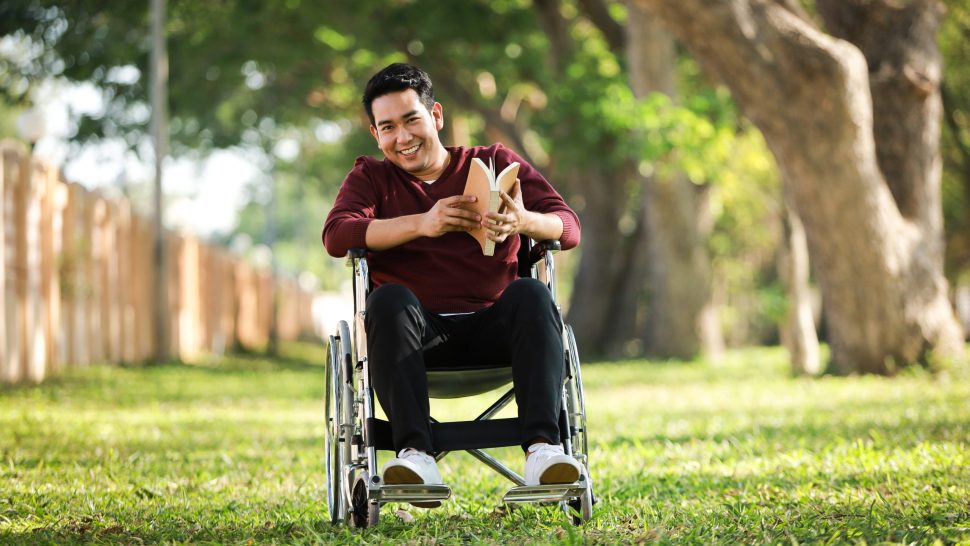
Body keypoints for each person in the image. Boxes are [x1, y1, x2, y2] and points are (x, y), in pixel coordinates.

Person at [322, 63, 582, 506]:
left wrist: (523, 221)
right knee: (387, 300)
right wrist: (423, 224)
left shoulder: (496, 161)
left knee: (532, 293)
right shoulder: (371, 177)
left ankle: (544, 450)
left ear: (436, 115)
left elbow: (569, 227)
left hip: (497, 332)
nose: (402, 138)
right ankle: (415, 454)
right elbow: (337, 234)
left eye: (411, 120)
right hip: (412, 341)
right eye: (388, 127)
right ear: (375, 133)